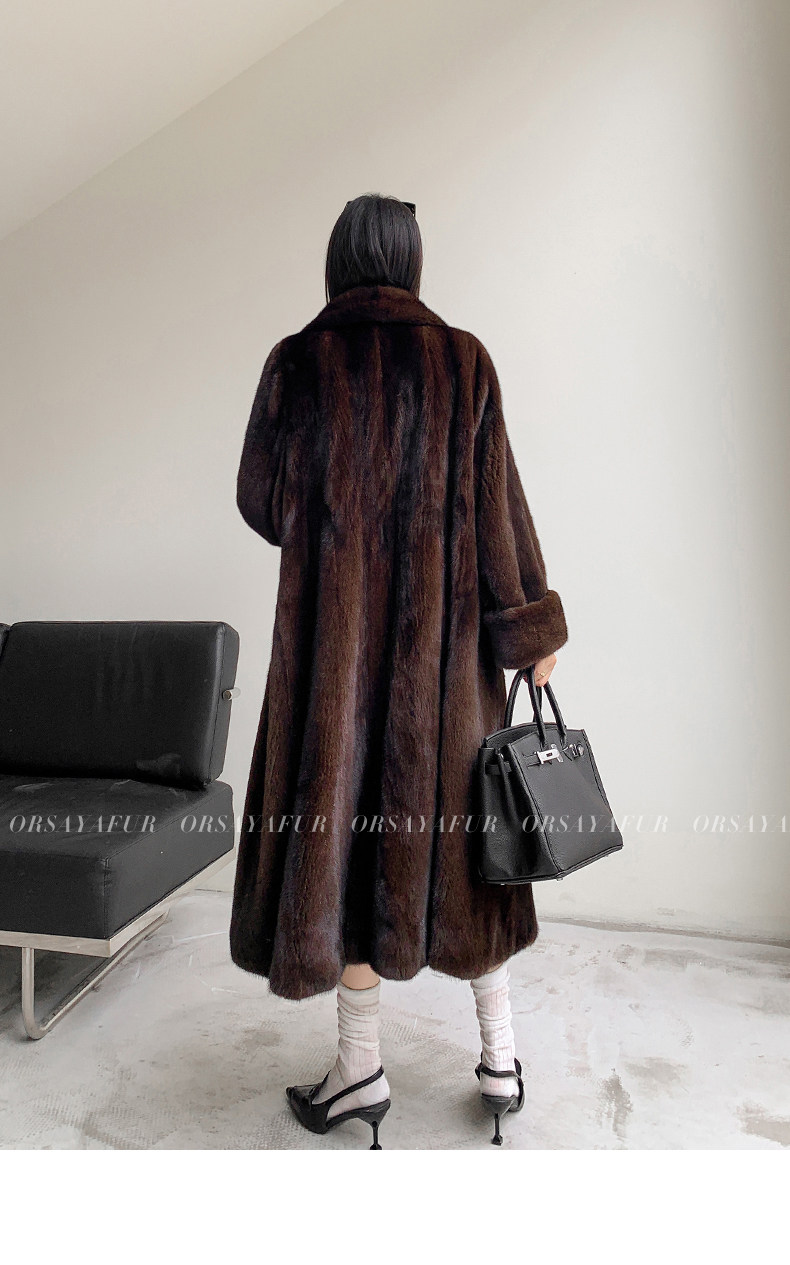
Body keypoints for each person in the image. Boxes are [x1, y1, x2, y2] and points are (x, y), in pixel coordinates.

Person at [229, 193, 569, 1148]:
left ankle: (360, 1069)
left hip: (329, 670)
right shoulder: (463, 362)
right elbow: (499, 510)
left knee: (339, 853)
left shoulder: (296, 363)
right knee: (473, 857)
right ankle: (499, 1058)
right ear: (411, 260)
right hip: (445, 672)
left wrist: (332, 519)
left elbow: (259, 498)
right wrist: (528, 626)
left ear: (339, 258)